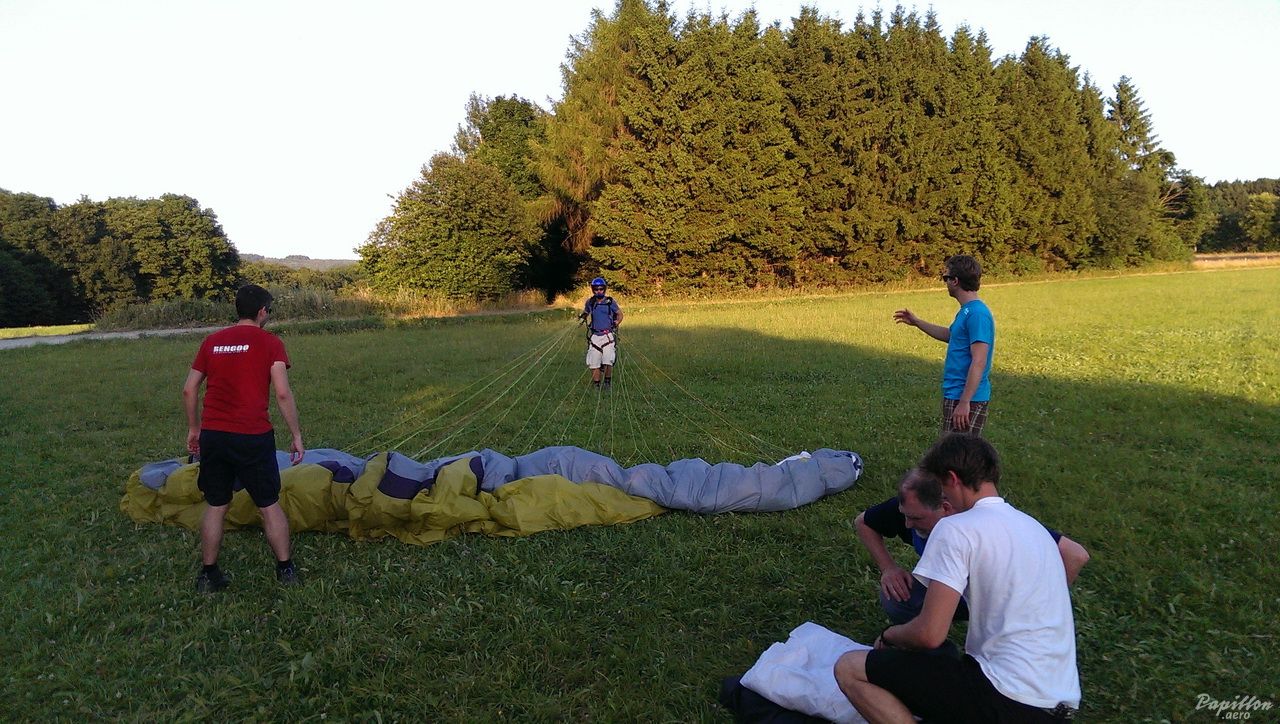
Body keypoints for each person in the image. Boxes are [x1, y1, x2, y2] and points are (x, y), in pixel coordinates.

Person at [835, 435, 1081, 723]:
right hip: (1058, 707)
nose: (943, 501)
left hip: (1005, 697)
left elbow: (929, 635)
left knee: (849, 668)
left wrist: (888, 636)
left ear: (952, 479)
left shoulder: (956, 528)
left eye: (941, 489)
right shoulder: (1035, 529)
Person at [183, 284, 304, 593]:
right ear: (262, 311)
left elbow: (189, 388)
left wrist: (195, 429)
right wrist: (296, 435)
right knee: (268, 504)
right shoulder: (271, 343)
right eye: (269, 310)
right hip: (252, 436)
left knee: (216, 504)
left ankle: (208, 574)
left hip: (214, 436)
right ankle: (286, 570)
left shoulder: (212, 342)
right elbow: (282, 393)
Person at [855, 468, 1090, 625]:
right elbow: (863, 522)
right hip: (954, 590)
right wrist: (889, 568)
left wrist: (1042, 607)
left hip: (999, 601)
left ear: (946, 508)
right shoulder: (912, 507)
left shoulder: (987, 524)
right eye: (905, 515)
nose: (907, 524)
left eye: (916, 518)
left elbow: (1075, 555)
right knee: (897, 599)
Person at [893, 255, 995, 435]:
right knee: (951, 448)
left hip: (967, 398)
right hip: (957, 394)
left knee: (959, 451)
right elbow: (951, 336)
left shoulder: (977, 314)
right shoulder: (967, 311)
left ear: (955, 281)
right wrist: (917, 322)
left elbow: (979, 361)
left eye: (945, 278)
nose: (945, 283)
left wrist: (965, 402)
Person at [578, 276, 623, 389]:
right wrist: (582, 317)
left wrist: (616, 322)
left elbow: (620, 314)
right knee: (593, 362)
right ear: (593, 289)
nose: (599, 291)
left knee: (608, 360)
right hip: (595, 336)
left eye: (601, 289)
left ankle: (607, 383)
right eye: (596, 289)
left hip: (607, 335)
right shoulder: (590, 302)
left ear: (604, 289)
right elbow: (586, 312)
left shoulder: (610, 302)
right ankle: (596, 385)